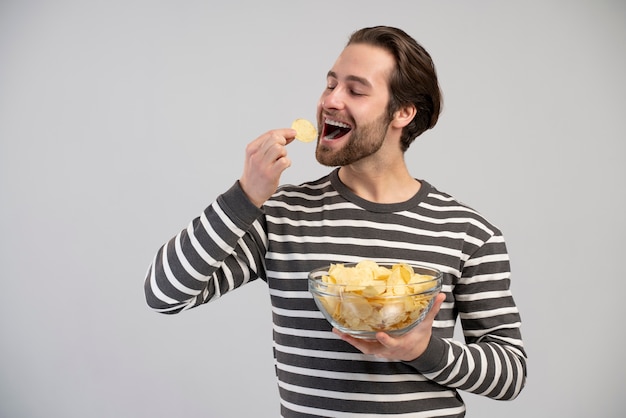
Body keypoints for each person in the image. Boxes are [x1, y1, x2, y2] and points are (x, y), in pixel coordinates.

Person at [144, 25, 527, 417]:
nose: (331, 101)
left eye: (355, 90)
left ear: (403, 112)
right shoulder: (281, 213)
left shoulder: (467, 230)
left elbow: (511, 373)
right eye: (330, 85)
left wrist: (423, 350)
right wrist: (245, 194)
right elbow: (164, 293)